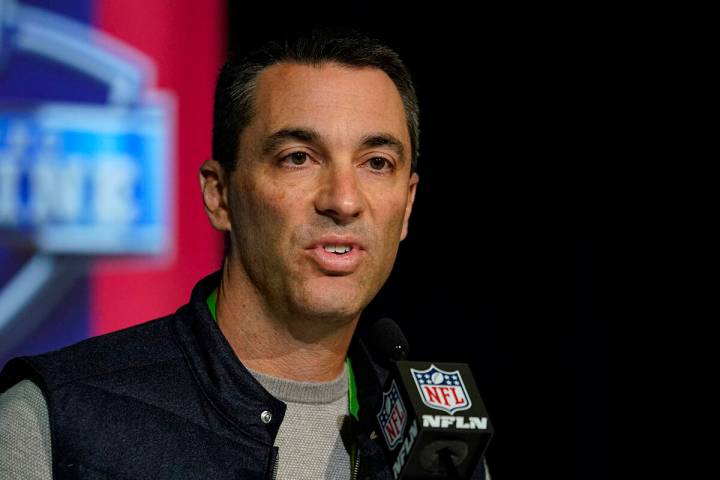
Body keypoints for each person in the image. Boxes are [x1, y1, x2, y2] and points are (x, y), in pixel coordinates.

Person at [0, 29, 489, 479]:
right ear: (220, 195)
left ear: (406, 206)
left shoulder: (442, 451)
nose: (343, 200)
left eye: (376, 163)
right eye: (298, 157)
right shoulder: (51, 422)